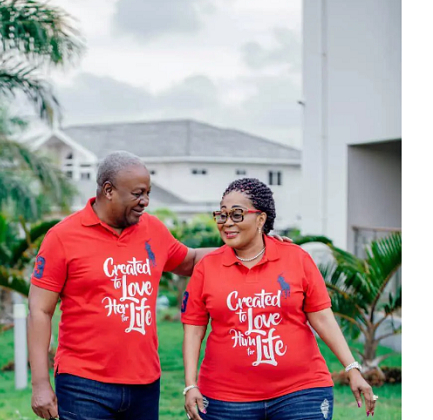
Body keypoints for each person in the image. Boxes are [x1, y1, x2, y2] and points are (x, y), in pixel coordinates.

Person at [27, 151, 290, 420]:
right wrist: (40, 384)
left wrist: (255, 244)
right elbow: (40, 311)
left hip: (145, 382)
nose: (146, 202)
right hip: (84, 383)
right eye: (138, 194)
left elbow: (190, 260)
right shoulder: (63, 237)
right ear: (109, 190)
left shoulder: (152, 229)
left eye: (148, 193)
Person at [181, 177, 378, 420]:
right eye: (222, 215)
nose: (227, 223)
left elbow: (322, 318)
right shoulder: (207, 268)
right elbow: (193, 329)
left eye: (237, 214)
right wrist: (190, 385)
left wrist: (352, 369)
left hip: (301, 394)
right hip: (227, 400)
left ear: (261, 219)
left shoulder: (296, 258)